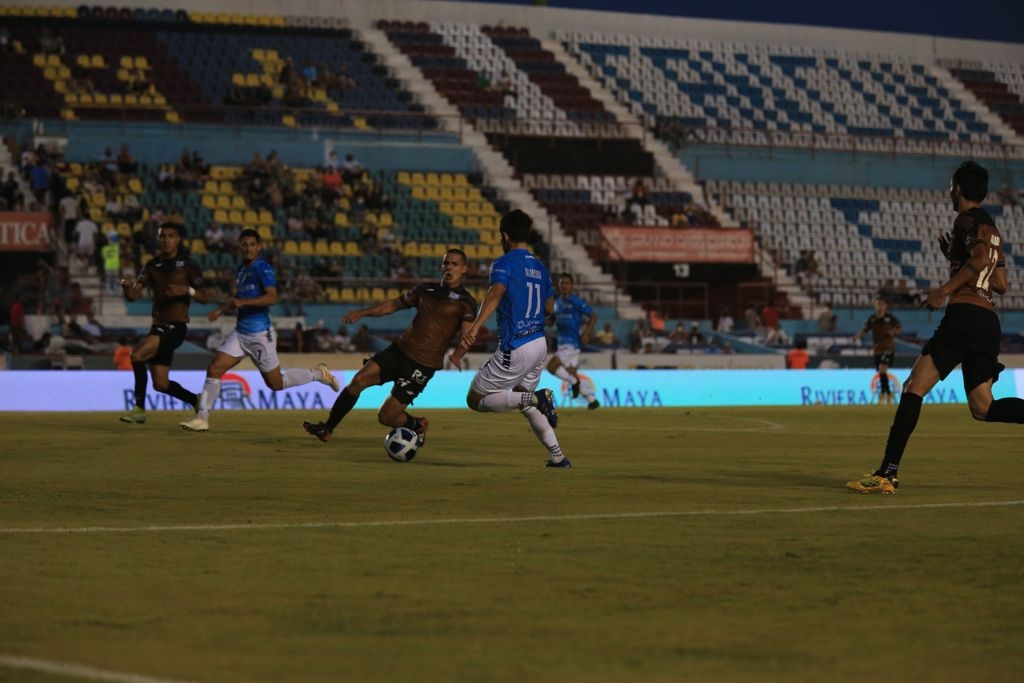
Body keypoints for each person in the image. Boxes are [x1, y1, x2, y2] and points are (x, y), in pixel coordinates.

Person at [848, 160, 1024, 494]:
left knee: (914, 386)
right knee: (983, 407)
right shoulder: (994, 228)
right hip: (988, 322)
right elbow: (1000, 282)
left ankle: (887, 472)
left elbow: (980, 259)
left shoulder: (967, 219)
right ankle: (887, 471)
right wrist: (956, 258)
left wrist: (943, 290)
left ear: (957, 189)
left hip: (964, 318)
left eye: (950, 186)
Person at [302, 248, 478, 444]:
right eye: (446, 263)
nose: (449, 267)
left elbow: (468, 334)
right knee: (358, 380)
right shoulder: (424, 290)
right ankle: (327, 428)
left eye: (454, 264)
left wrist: (459, 354)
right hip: (399, 351)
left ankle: (416, 424)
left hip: (422, 365)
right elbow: (391, 305)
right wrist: (362, 313)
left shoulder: (466, 302)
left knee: (386, 417)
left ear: (464, 269)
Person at [180, 229, 340, 432]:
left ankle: (319, 374)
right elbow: (237, 299)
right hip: (240, 333)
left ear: (259, 246)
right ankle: (202, 418)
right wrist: (220, 310)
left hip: (259, 335)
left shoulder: (263, 268)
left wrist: (242, 302)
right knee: (214, 368)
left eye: (252, 244)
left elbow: (272, 297)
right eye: (244, 244)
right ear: (240, 246)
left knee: (276, 383)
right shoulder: (240, 269)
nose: (248, 248)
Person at [450, 210, 568, 468]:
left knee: (476, 399)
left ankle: (539, 397)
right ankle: (557, 456)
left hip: (516, 345)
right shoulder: (541, 267)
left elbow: (495, 295)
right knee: (523, 403)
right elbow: (549, 308)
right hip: (539, 344)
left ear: (505, 236)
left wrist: (474, 328)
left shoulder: (503, 263)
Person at [118, 222, 209, 424]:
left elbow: (204, 296)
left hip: (176, 327)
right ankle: (195, 399)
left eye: (170, 236)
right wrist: (126, 286)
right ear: (159, 239)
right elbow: (134, 295)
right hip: (158, 326)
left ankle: (139, 409)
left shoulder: (188, 265)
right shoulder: (151, 266)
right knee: (160, 384)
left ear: (178, 240)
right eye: (162, 236)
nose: (166, 239)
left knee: (137, 354)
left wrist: (187, 290)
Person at [545, 272, 599, 409]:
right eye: (562, 283)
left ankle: (574, 383)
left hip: (572, 343)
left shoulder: (576, 302)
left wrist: (586, 333)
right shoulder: (556, 303)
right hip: (562, 343)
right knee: (571, 373)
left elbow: (593, 316)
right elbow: (551, 321)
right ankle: (591, 399)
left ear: (572, 286)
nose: (564, 286)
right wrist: (546, 320)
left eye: (567, 283)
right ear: (558, 285)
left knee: (551, 367)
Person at [853, 295, 902, 405]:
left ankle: (884, 394)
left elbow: (898, 328)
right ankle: (887, 393)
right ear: (875, 306)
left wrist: (893, 332)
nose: (879, 306)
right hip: (877, 349)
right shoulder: (872, 319)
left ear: (885, 306)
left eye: (881, 304)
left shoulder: (890, 318)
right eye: (877, 304)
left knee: (882, 368)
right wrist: (857, 336)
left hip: (888, 348)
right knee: (881, 371)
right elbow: (865, 330)